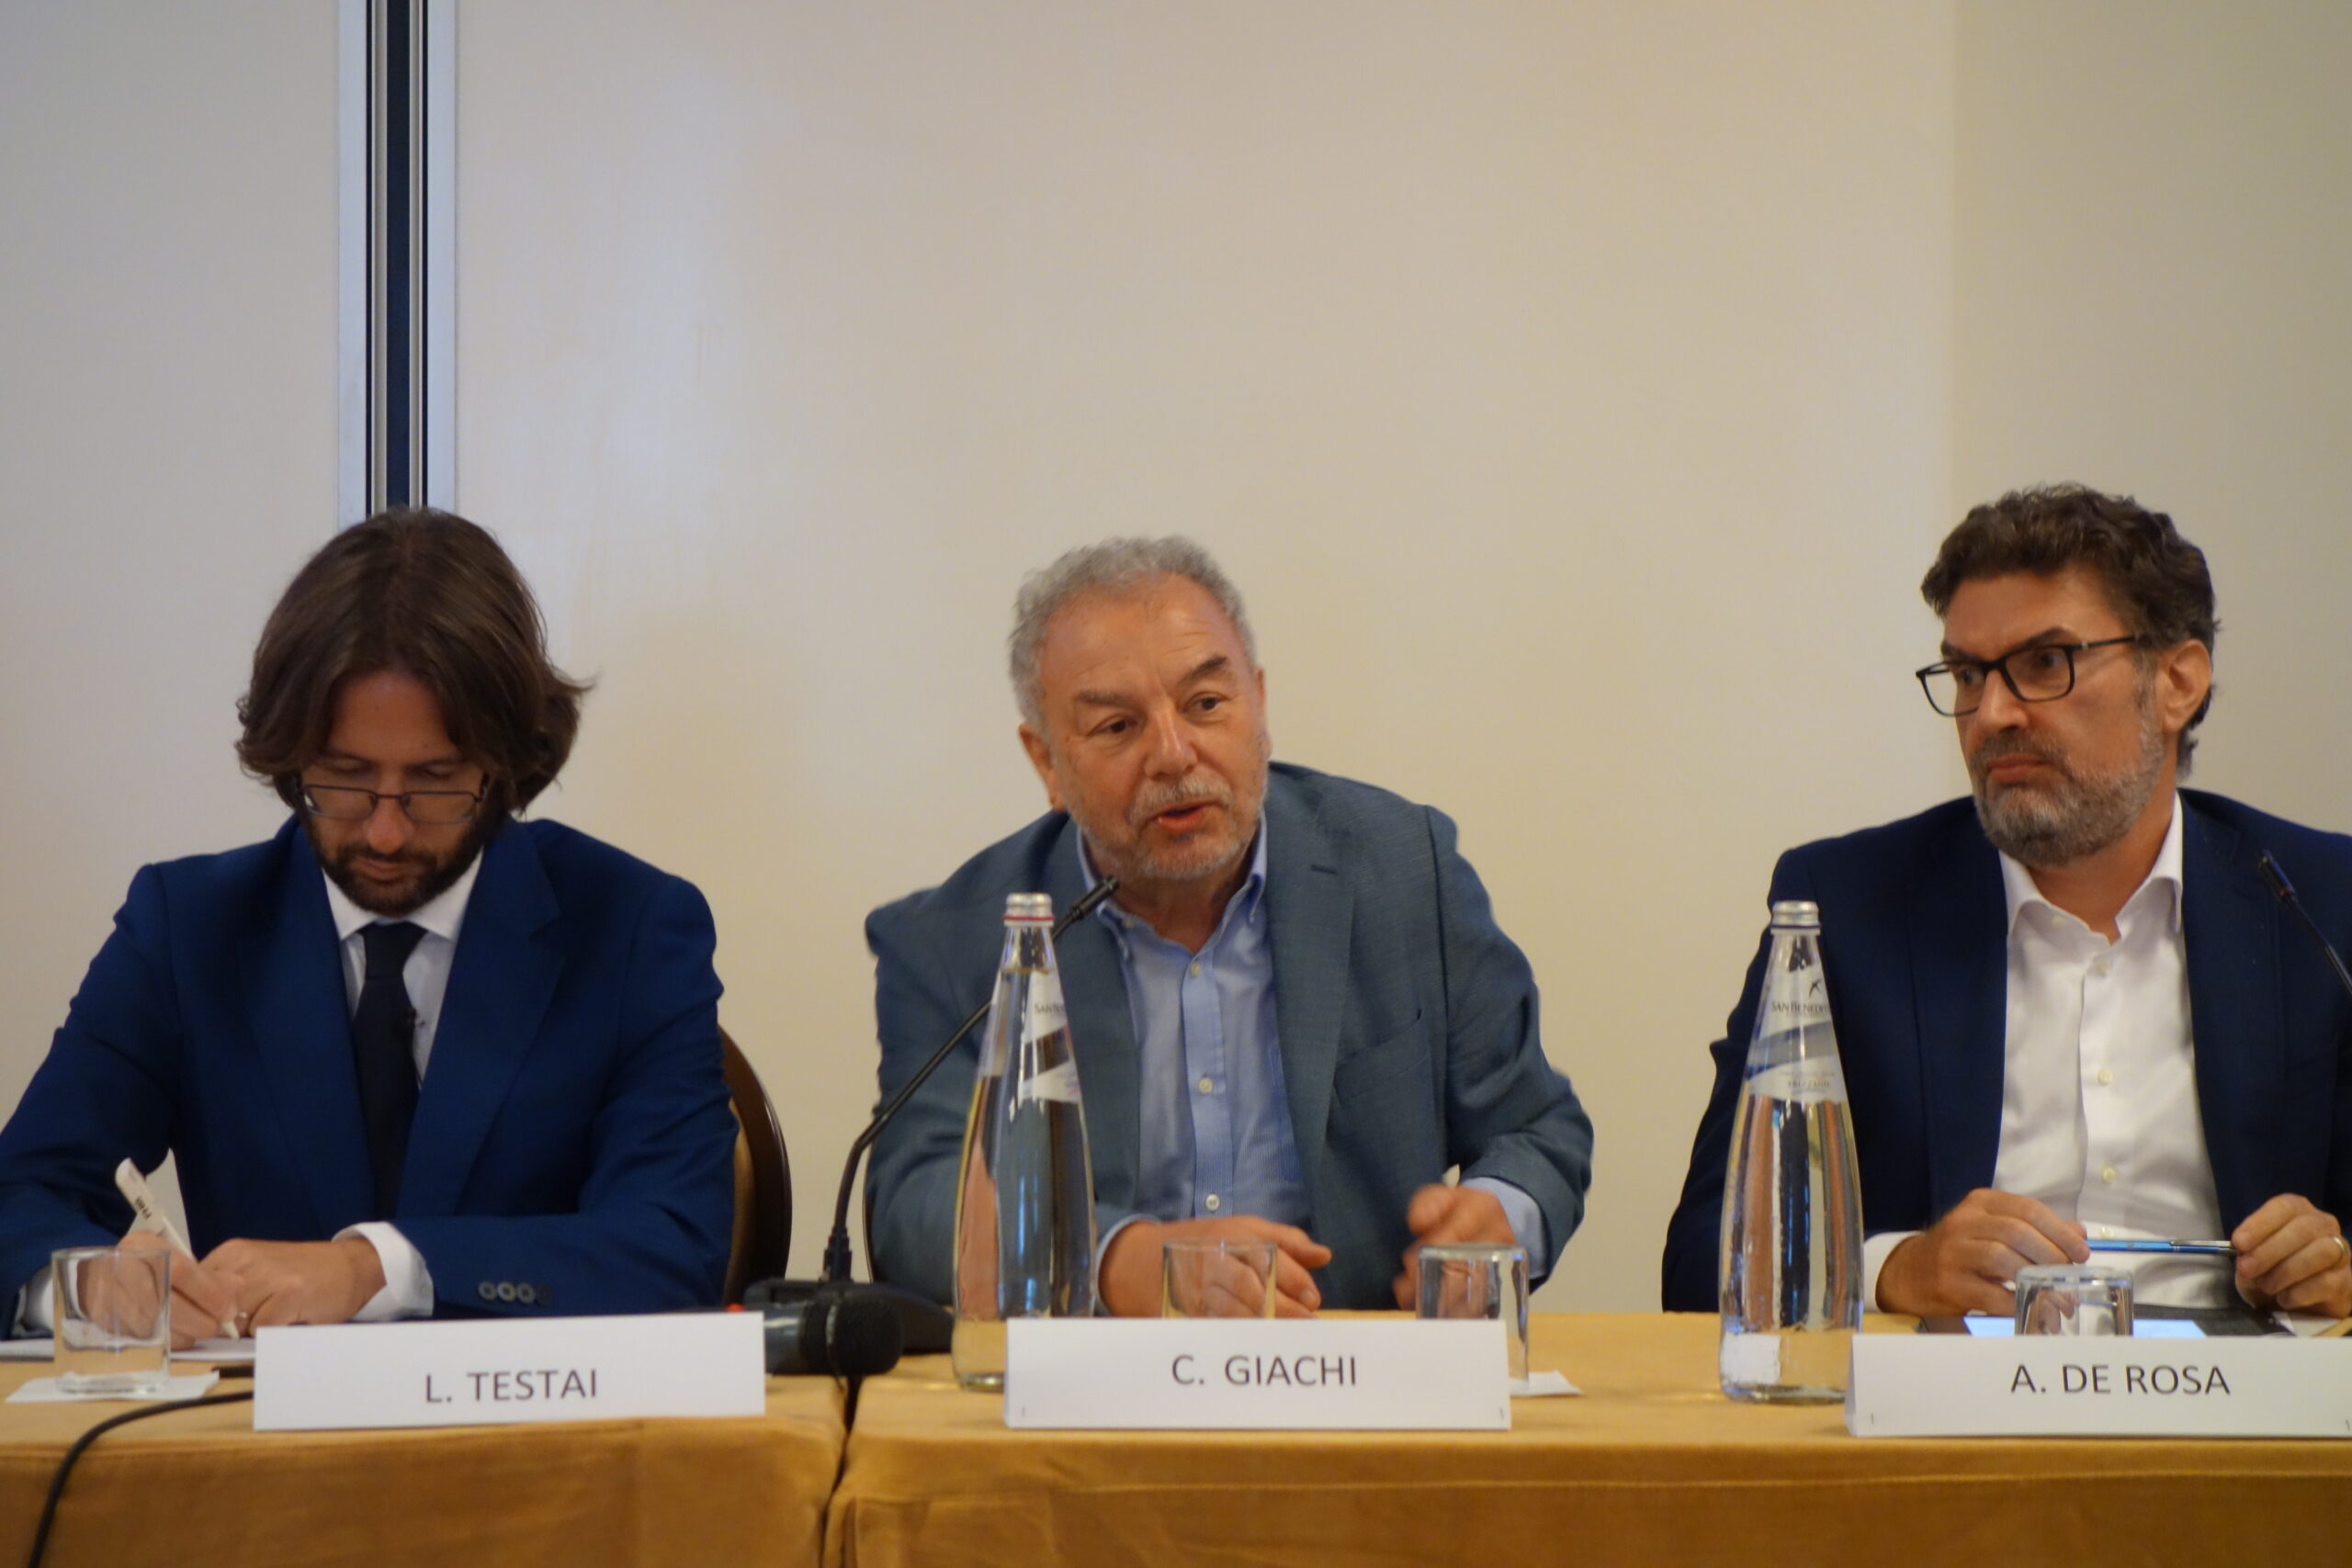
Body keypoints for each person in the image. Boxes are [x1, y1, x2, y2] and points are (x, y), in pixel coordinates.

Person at [0, 509, 735, 1344]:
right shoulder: (187, 929)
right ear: (290, 757)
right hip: (252, 1425)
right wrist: (87, 1285)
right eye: (345, 779)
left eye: (435, 781)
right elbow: (20, 1196)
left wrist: (377, 1267)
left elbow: (672, 1243)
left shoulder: (633, 928)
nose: (385, 833)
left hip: (536, 1418)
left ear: (503, 765)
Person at [1662, 485, 2352, 1319]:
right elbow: (1703, 1252)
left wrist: (2335, 1271)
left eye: (2045, 663)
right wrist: (1893, 1270)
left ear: (2177, 682)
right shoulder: (1848, 909)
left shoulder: (2318, 904)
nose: (1991, 713)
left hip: (2238, 1396)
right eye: (1967, 674)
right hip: (1960, 1394)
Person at [866, 537, 1592, 1315]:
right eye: (1118, 726)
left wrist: (1498, 1212)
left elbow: (1537, 1128)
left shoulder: (1405, 871)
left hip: (1358, 1366)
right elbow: (916, 1201)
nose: (1175, 754)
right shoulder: (956, 941)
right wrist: (1120, 1262)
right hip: (1103, 1378)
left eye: (1207, 704)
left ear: (1260, 703)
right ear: (1047, 761)